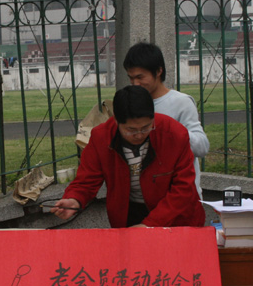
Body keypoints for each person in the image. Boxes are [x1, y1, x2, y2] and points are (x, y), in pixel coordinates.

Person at [52, 85, 204, 228]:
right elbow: (87, 180)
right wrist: (74, 199)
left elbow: (183, 188)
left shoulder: (175, 134)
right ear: (116, 121)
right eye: (131, 130)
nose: (139, 135)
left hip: (176, 217)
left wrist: (150, 225)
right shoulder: (101, 137)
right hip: (129, 213)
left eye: (146, 127)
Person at [123, 42, 210, 197]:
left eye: (140, 77)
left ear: (158, 71)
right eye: (131, 78)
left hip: (179, 195)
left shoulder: (181, 102)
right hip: (143, 197)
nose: (135, 84)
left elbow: (201, 147)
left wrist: (170, 128)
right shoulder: (128, 102)